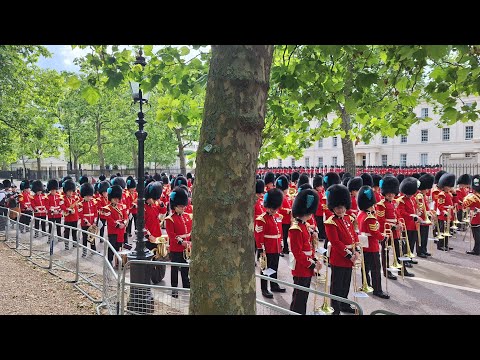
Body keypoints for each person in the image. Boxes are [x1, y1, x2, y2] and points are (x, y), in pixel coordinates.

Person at [324, 184, 360, 315]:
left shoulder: (348, 219)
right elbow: (335, 242)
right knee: (336, 285)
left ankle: (344, 304)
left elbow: (353, 235)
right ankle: (335, 308)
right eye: (338, 208)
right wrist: (349, 254)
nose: (340, 210)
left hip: (349, 256)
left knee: (346, 283)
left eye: (342, 207)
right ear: (333, 208)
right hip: (339, 257)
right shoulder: (330, 222)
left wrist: (357, 250)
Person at [289, 188, 321, 314]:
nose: (310, 215)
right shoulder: (296, 228)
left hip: (306, 265)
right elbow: (297, 253)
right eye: (308, 213)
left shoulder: (304, 226)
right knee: (299, 297)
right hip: (301, 267)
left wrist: (314, 259)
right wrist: (311, 263)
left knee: (303, 296)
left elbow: (309, 247)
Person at [357, 185, 389, 299]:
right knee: (376, 269)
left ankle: (366, 284)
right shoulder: (370, 217)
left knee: (365, 267)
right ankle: (377, 290)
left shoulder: (361, 214)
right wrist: (383, 236)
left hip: (364, 245)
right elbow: (375, 233)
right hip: (371, 246)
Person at [254, 187, 285, 298]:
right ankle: (264, 288)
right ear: (267, 205)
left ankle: (274, 285)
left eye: (275, 208)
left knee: (274, 267)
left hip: (276, 247)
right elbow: (258, 235)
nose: (274, 210)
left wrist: (281, 242)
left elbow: (280, 231)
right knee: (265, 269)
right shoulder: (261, 219)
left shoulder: (278, 217)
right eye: (272, 208)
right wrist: (261, 249)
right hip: (266, 247)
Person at [165, 186, 192, 298]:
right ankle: (174, 289)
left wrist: (189, 241)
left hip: (185, 248)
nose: (183, 208)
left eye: (183, 206)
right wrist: (182, 242)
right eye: (180, 206)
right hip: (176, 248)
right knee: (175, 269)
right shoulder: (170, 219)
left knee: (185, 267)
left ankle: (186, 284)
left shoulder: (186, 216)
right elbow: (172, 236)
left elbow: (190, 232)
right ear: (175, 206)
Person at [396, 177, 420, 266]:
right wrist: (411, 216)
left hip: (413, 224)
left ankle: (409, 258)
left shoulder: (413, 199)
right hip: (407, 225)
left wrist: (417, 213)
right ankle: (405, 260)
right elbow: (402, 212)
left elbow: (414, 208)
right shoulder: (401, 200)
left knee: (412, 242)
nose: (410, 195)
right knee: (406, 244)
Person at [101, 185, 128, 265]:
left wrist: (124, 223)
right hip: (113, 230)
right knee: (112, 246)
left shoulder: (122, 206)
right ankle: (109, 260)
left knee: (119, 246)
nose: (116, 200)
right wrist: (117, 225)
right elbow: (109, 219)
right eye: (114, 198)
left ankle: (118, 262)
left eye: (117, 198)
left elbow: (126, 216)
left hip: (122, 230)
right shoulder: (107, 208)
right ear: (111, 198)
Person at [435, 173, 457, 251]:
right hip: (443, 215)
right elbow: (440, 205)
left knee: (447, 231)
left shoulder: (449, 194)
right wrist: (444, 211)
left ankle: (445, 244)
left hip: (449, 215)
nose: (449, 188)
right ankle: (440, 245)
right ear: (444, 187)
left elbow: (454, 202)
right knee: (442, 231)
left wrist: (455, 194)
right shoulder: (442, 194)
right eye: (448, 186)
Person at [416, 174, 434, 257]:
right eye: (426, 188)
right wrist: (426, 213)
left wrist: (430, 212)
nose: (428, 190)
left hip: (426, 218)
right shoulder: (419, 196)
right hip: (422, 219)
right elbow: (420, 208)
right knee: (421, 236)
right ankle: (420, 251)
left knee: (425, 236)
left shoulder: (424, 196)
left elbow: (426, 207)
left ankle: (424, 249)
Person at [79, 183, 98, 257]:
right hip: (85, 224)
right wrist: (86, 222)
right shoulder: (81, 204)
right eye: (87, 196)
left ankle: (93, 250)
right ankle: (84, 251)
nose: (89, 197)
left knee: (92, 237)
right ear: (84, 195)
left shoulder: (93, 203)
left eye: (90, 196)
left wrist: (94, 222)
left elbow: (95, 213)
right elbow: (81, 214)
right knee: (85, 238)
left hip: (92, 223)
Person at [463, 175, 480, 255]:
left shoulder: (472, 197)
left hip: (475, 216)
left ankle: (476, 250)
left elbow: (464, 205)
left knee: (476, 235)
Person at [61, 179, 80, 250]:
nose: (71, 193)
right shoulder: (63, 199)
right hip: (68, 218)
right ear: (66, 191)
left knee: (74, 232)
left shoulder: (75, 198)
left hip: (75, 218)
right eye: (69, 191)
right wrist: (68, 209)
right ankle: (66, 244)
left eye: (72, 191)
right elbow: (62, 206)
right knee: (67, 232)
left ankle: (75, 243)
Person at [276, 175, 292, 256]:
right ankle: (281, 249)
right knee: (282, 235)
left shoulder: (287, 196)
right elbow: (280, 208)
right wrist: (288, 211)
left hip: (288, 219)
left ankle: (286, 248)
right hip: (282, 219)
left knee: (286, 235)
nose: (287, 190)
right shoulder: (279, 197)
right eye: (286, 189)